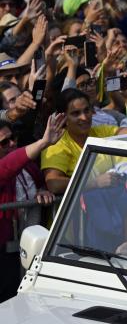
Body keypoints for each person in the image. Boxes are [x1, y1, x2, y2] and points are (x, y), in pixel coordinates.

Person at [0, 113, 63, 302]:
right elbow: (7, 168)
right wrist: (43, 143)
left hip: (31, 247)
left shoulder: (29, 167)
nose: (12, 143)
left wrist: (42, 191)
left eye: (13, 138)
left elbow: (39, 184)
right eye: (4, 142)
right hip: (4, 253)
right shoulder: (15, 163)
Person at [42, 89, 119, 194]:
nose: (84, 117)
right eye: (76, 113)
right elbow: (54, 184)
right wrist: (95, 183)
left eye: (87, 110)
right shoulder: (56, 144)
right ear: (64, 118)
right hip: (79, 209)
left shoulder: (102, 131)